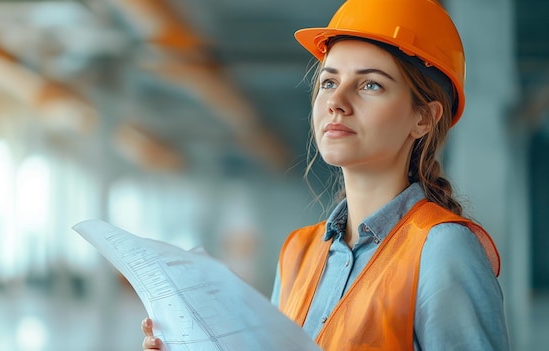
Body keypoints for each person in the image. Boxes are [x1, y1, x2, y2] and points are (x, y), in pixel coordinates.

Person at [142, 0, 510, 349]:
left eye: (370, 85)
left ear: (424, 118)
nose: (336, 101)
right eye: (329, 82)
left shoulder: (442, 249)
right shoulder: (297, 253)